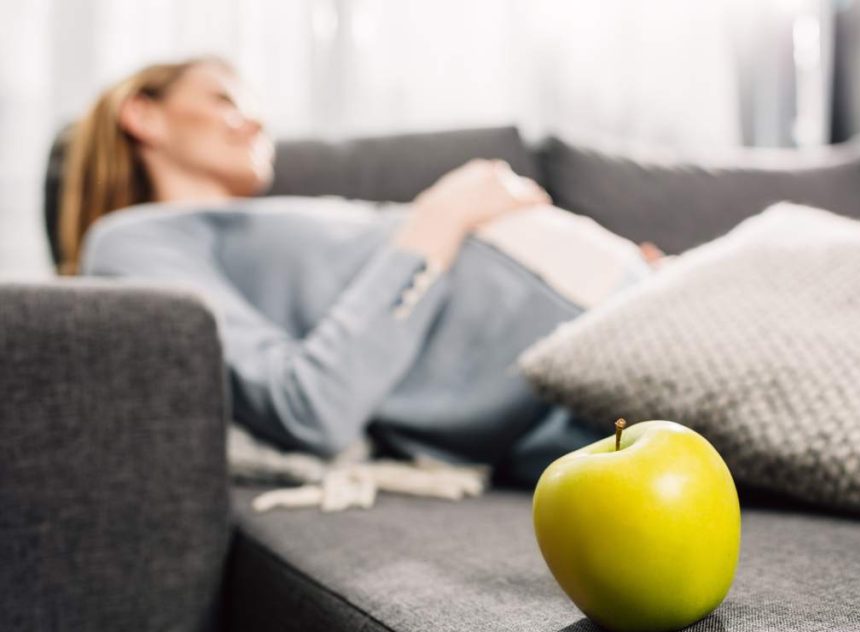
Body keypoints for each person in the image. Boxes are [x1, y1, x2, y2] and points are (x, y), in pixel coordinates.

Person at [66, 57, 656, 484]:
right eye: (225, 99)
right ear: (143, 114)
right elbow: (310, 408)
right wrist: (443, 214)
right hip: (605, 353)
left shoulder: (254, 227)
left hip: (629, 304)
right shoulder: (128, 240)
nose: (255, 121)